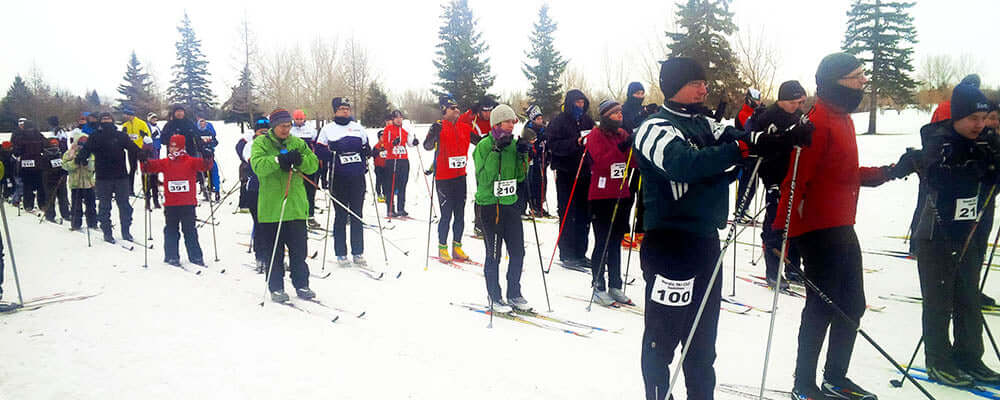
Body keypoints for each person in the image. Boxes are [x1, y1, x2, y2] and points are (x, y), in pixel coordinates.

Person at [776, 53, 916, 400]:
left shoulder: (842, 119)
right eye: (857, 77)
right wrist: (780, 236)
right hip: (817, 231)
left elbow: (844, 174)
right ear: (836, 81)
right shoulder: (817, 121)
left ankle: (835, 377)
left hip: (842, 226)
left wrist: (890, 171)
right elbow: (795, 182)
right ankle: (803, 384)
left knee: (852, 304)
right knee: (821, 307)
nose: (863, 82)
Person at [634, 57, 757, 400]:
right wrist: (733, 152)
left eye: (704, 83)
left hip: (705, 242)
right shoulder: (654, 127)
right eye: (695, 83)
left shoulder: (705, 123)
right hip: (670, 245)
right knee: (664, 335)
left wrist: (772, 136)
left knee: (703, 338)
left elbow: (742, 138)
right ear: (675, 86)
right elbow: (682, 164)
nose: (704, 88)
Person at [914, 82, 1000, 387]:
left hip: (968, 233)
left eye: (984, 118)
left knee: (968, 298)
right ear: (958, 117)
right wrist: (977, 166)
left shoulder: (985, 141)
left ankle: (969, 356)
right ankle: (939, 360)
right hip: (936, 234)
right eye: (973, 119)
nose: (981, 125)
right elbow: (940, 176)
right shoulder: (940, 141)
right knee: (939, 302)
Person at [250, 108, 319, 302]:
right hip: (272, 207)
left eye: (288, 126)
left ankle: (302, 284)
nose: (286, 130)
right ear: (274, 126)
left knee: (299, 251)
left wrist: (300, 160)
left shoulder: (296, 142)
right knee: (274, 251)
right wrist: (278, 160)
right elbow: (258, 166)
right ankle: (276, 287)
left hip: (295, 205)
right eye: (282, 126)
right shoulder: (261, 143)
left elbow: (313, 164)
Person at [911, 73, 984, 256]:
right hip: (941, 161)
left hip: (941, 160)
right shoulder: (957, 108)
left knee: (926, 204)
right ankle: (922, 245)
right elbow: (933, 132)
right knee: (932, 204)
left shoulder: (948, 106)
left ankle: (917, 245)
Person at [751, 80, 812, 289]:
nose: (798, 106)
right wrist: (789, 137)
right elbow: (764, 147)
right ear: (783, 99)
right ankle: (773, 270)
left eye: (801, 102)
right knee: (775, 225)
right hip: (774, 177)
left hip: (793, 177)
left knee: (795, 223)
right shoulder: (768, 117)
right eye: (795, 101)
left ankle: (793, 267)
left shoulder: (796, 116)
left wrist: (808, 134)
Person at [472, 104, 530, 312]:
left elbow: (521, 176)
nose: (511, 125)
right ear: (497, 123)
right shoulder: (484, 145)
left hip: (510, 204)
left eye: (513, 121)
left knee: (518, 252)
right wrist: (496, 150)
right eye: (507, 121)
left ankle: (514, 293)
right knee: (493, 254)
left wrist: (523, 154)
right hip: (489, 205)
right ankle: (494, 296)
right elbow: (484, 177)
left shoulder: (513, 144)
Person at [586, 100, 635, 306]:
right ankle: (598, 285)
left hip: (621, 193)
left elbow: (631, 162)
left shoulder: (621, 134)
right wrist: (621, 149)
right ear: (606, 116)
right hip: (601, 195)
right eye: (615, 113)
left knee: (616, 242)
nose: (619, 116)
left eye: (620, 112)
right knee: (603, 241)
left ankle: (616, 284)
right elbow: (602, 161)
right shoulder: (595, 135)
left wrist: (634, 147)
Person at [141, 135, 213, 266]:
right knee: (171, 230)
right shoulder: (165, 162)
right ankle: (171, 256)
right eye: (171, 146)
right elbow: (148, 168)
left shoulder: (190, 161)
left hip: (187, 203)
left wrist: (208, 156)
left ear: (182, 147)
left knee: (189, 230)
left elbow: (205, 166)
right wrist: (144, 159)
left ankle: (196, 256)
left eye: (175, 146)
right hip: (171, 204)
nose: (172, 149)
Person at [316, 97, 370, 266]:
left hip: (357, 177)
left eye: (347, 108)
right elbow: (319, 151)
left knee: (357, 215)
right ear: (335, 111)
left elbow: (366, 148)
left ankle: (358, 252)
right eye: (341, 108)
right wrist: (333, 149)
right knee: (340, 215)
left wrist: (364, 152)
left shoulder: (357, 128)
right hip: (338, 177)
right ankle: (341, 253)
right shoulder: (327, 129)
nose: (345, 111)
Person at [76, 112, 143, 244]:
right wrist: (81, 158)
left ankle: (126, 231)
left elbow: (132, 148)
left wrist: (143, 154)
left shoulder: (120, 135)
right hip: (103, 177)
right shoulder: (95, 136)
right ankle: (107, 232)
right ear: (100, 121)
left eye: (108, 118)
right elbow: (86, 149)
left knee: (125, 206)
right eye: (104, 119)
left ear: (112, 120)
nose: (106, 121)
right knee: (105, 206)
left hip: (121, 176)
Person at [424, 95, 475, 262]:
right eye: (453, 108)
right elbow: (427, 146)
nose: (457, 111)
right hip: (444, 178)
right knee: (446, 215)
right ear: (444, 110)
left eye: (458, 108)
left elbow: (481, 142)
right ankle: (442, 247)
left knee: (460, 214)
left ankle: (457, 247)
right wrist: (433, 134)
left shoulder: (464, 127)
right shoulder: (439, 126)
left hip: (460, 177)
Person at [547, 89, 594, 270]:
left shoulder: (587, 120)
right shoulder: (559, 121)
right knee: (567, 213)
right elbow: (553, 145)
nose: (580, 105)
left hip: (584, 172)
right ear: (569, 103)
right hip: (566, 172)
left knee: (584, 214)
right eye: (577, 102)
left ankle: (580, 253)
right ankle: (566, 253)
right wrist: (575, 143)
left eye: (582, 102)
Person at [460, 96, 497, 237]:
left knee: (495, 189)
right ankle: (479, 224)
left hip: (496, 155)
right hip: (481, 155)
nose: (487, 114)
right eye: (484, 111)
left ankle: (494, 220)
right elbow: (460, 120)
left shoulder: (495, 116)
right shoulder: (473, 117)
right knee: (483, 189)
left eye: (490, 111)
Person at [238, 117, 268, 272]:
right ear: (255, 131)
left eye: (266, 129)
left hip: (273, 189)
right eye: (260, 129)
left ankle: (274, 256)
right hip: (255, 189)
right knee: (260, 223)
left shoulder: (274, 143)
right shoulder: (250, 145)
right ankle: (260, 256)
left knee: (275, 225)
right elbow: (255, 163)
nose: (264, 131)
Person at [379, 110, 418, 218]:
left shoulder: (404, 129)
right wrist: (392, 143)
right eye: (396, 118)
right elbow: (385, 145)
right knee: (391, 185)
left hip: (403, 160)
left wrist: (414, 142)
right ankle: (390, 209)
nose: (399, 119)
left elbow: (409, 143)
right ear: (392, 119)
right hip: (392, 160)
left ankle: (401, 208)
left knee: (403, 184)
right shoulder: (388, 129)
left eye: (400, 117)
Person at [290, 109, 322, 229]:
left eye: (300, 119)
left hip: (307, 164)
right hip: (294, 165)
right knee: (295, 191)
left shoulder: (310, 129)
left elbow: (316, 146)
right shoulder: (290, 130)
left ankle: (310, 216)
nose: (298, 121)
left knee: (310, 190)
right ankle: (295, 216)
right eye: (296, 119)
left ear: (304, 118)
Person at [62, 131, 97, 231]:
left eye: (85, 143)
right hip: (75, 184)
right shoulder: (69, 153)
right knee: (76, 205)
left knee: (91, 204)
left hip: (88, 183)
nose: (82, 145)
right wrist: (75, 162)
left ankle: (92, 222)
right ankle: (76, 223)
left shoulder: (91, 154)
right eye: (80, 143)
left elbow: (94, 167)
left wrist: (87, 163)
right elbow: (65, 166)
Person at [12, 120, 46, 213]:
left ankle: (28, 205)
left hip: (25, 164)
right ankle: (42, 204)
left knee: (27, 185)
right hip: (39, 163)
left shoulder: (21, 136)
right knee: (40, 185)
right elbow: (45, 145)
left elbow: (16, 151)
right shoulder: (39, 135)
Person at [521, 105, 548, 217]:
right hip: (532, 161)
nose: (540, 121)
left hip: (542, 161)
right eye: (537, 119)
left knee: (543, 183)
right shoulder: (528, 129)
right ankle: (532, 206)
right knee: (532, 183)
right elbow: (527, 144)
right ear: (532, 119)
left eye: (541, 118)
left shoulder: (544, 129)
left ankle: (539, 205)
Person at [121, 107, 151, 197]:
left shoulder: (141, 123)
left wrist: (144, 135)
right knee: (132, 169)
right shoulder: (125, 125)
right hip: (131, 149)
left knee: (144, 169)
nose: (125, 117)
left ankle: (146, 190)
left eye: (126, 115)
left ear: (131, 115)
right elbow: (123, 138)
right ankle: (130, 190)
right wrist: (124, 135)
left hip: (141, 149)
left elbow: (148, 136)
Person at [41, 138, 70, 223]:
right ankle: (50, 215)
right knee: (51, 198)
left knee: (63, 197)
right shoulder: (45, 156)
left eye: (56, 144)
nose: (55, 146)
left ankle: (65, 214)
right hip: (50, 179)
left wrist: (64, 171)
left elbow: (64, 165)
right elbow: (45, 168)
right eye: (53, 144)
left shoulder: (60, 154)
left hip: (60, 179)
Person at [196, 117, 220, 202]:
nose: (203, 124)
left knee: (213, 171)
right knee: (202, 174)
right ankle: (204, 190)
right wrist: (202, 145)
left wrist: (211, 144)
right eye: (201, 123)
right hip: (200, 156)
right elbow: (195, 144)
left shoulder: (209, 132)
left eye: (204, 123)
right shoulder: (197, 133)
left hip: (210, 155)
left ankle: (215, 190)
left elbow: (215, 141)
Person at [144, 113, 162, 209]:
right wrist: (152, 136)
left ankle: (156, 199)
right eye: (153, 119)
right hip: (150, 152)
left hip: (157, 150)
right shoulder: (147, 126)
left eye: (155, 118)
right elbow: (145, 138)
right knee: (149, 177)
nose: (154, 120)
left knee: (155, 175)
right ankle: (148, 199)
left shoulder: (157, 127)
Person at [372, 119, 390, 203]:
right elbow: (373, 154)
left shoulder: (388, 145)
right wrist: (378, 151)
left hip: (386, 166)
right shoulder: (376, 146)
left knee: (386, 181)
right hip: (378, 166)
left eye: (384, 136)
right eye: (381, 137)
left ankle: (386, 193)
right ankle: (379, 194)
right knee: (379, 180)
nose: (383, 138)